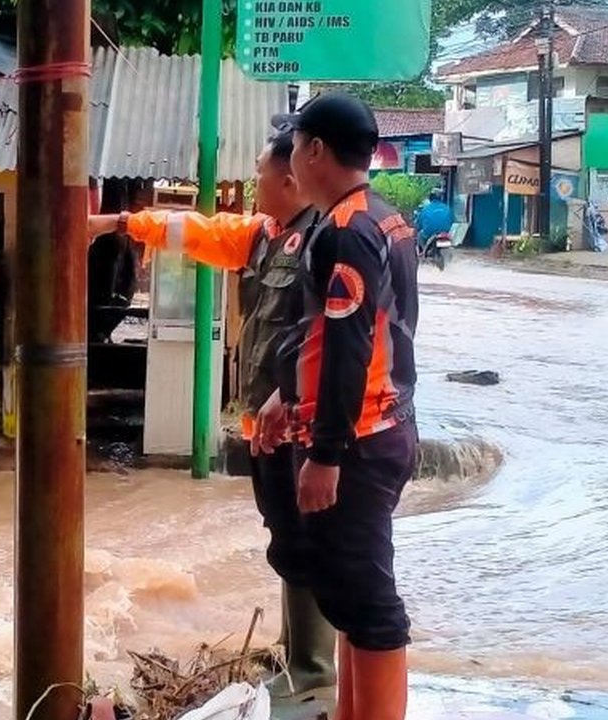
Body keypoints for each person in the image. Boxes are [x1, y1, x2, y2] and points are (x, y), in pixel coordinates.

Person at [87, 132, 337, 706]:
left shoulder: (325, 241)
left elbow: (335, 339)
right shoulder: (261, 236)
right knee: (285, 540)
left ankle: (314, 666)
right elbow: (192, 232)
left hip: (299, 426)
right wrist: (116, 223)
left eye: (260, 174)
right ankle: (299, 654)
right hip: (264, 427)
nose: (252, 184)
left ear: (290, 179)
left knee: (306, 542)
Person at [256, 92, 420, 720]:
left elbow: (352, 347)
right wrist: (285, 394)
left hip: (358, 440)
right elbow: (351, 332)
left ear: (316, 150)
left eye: (294, 145)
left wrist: (325, 455)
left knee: (372, 607)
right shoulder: (380, 217)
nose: (289, 158)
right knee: (351, 598)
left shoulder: (347, 231)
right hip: (383, 424)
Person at [413, 188, 454, 253]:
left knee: (419, 235)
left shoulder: (425, 209)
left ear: (430, 197)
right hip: (444, 234)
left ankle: (422, 253)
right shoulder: (447, 208)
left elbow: (419, 224)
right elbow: (452, 221)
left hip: (429, 235)